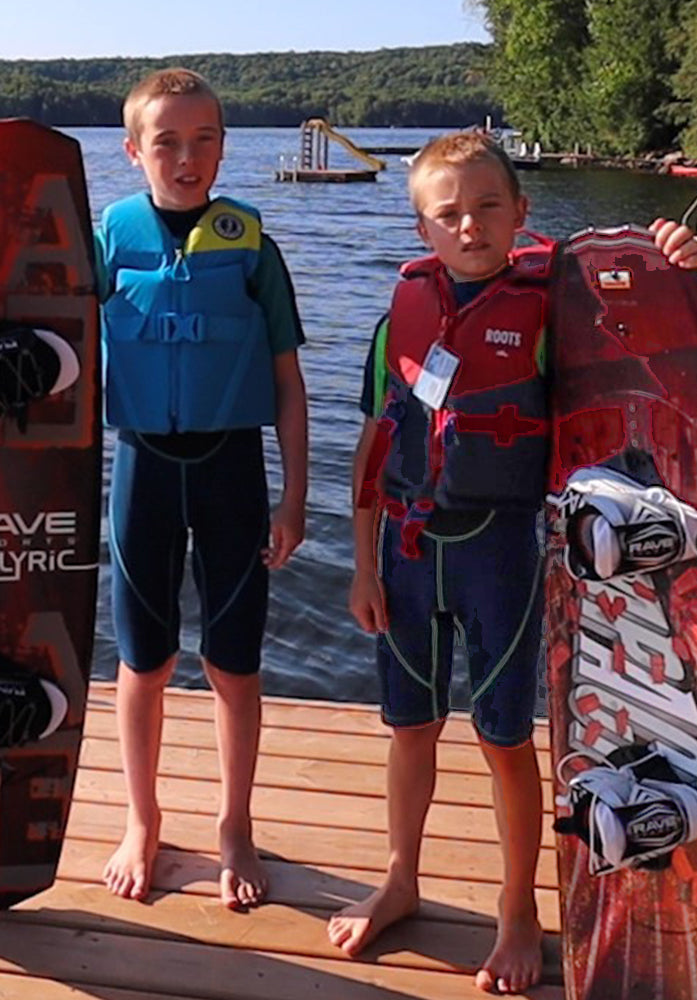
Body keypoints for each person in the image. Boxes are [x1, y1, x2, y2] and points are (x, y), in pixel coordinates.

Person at [329, 130, 697, 993]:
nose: (470, 226)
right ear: (424, 229)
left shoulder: (551, 311)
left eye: (487, 207)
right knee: (408, 727)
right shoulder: (402, 315)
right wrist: (359, 565)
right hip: (407, 550)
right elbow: (373, 441)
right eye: (448, 213)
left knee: (503, 739)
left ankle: (515, 908)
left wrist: (673, 266)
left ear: (520, 213)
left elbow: (641, 339)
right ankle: (400, 877)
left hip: (499, 550)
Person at [97, 68, 308, 908]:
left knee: (235, 666)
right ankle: (141, 819)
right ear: (134, 151)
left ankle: (234, 824)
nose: (187, 158)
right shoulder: (109, 237)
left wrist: (294, 497)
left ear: (225, 142)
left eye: (205, 139)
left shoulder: (250, 242)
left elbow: (289, 380)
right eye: (167, 142)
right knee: (141, 663)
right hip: (142, 469)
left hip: (231, 472)